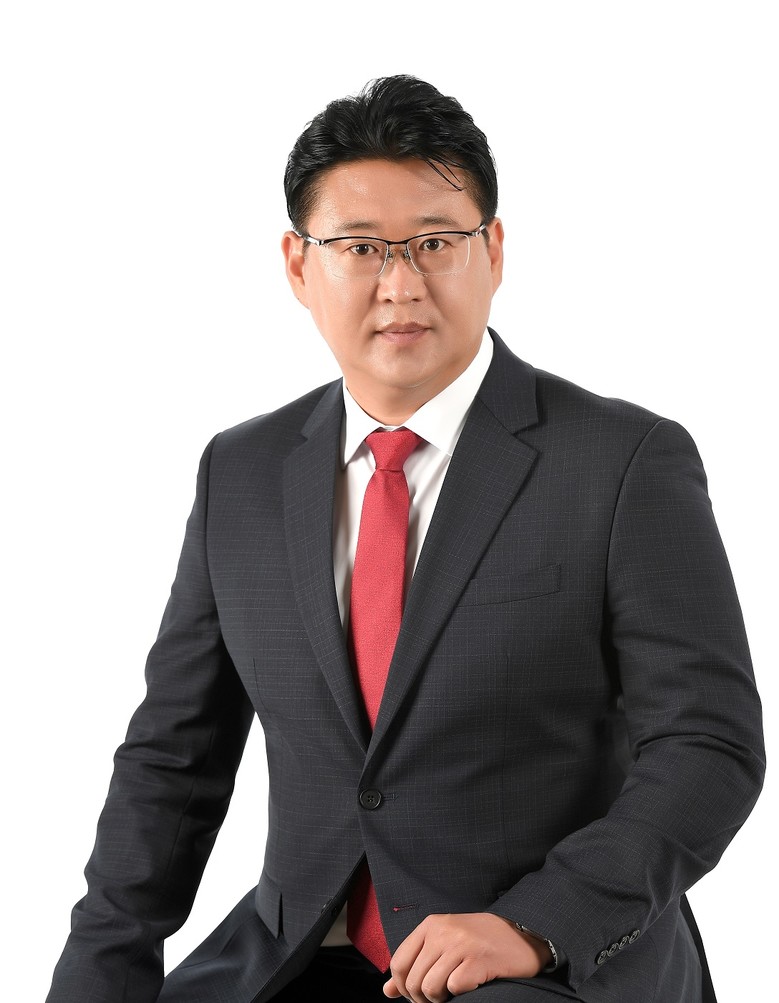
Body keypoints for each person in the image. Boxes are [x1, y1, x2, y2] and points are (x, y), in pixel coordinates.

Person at [47, 75, 764, 1003]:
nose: (401, 284)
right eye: (360, 247)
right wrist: (95, 977)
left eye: (435, 242)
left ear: (492, 251)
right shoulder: (242, 470)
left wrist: (537, 922)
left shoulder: (623, 461)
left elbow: (707, 745)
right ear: (298, 265)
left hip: (540, 962)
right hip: (295, 952)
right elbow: (171, 760)